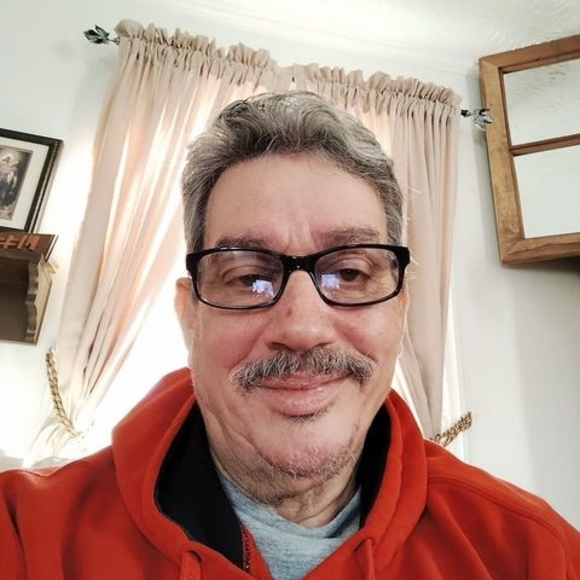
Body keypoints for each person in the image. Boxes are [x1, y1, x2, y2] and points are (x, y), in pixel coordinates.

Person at [0, 91, 578, 579]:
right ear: (190, 316)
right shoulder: (25, 533)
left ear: (400, 308)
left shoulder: (532, 554)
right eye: (248, 277)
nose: (302, 329)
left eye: (349, 273)